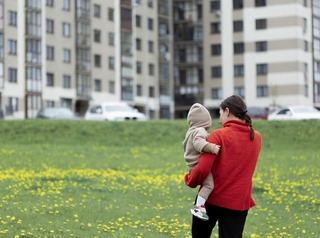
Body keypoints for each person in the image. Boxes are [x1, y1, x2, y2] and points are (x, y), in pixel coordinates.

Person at [184, 95, 262, 238]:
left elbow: (202, 169)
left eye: (219, 114)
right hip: (239, 202)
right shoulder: (256, 137)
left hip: (212, 200)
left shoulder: (218, 135)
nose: (219, 120)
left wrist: (190, 179)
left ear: (227, 111)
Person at [183, 103, 220, 221]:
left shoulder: (191, 131)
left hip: (191, 165)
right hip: (197, 165)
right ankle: (198, 207)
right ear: (204, 120)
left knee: (206, 184)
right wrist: (211, 147)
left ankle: (200, 206)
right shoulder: (199, 130)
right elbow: (199, 144)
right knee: (209, 185)